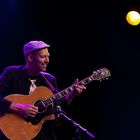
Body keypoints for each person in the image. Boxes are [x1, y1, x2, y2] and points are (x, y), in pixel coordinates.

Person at [0, 40, 86, 140]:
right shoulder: (12, 74)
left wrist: (72, 94)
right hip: (12, 132)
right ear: (30, 58)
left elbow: (56, 107)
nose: (47, 60)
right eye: (43, 57)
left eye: (48, 56)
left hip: (41, 134)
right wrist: (19, 108)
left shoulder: (49, 80)